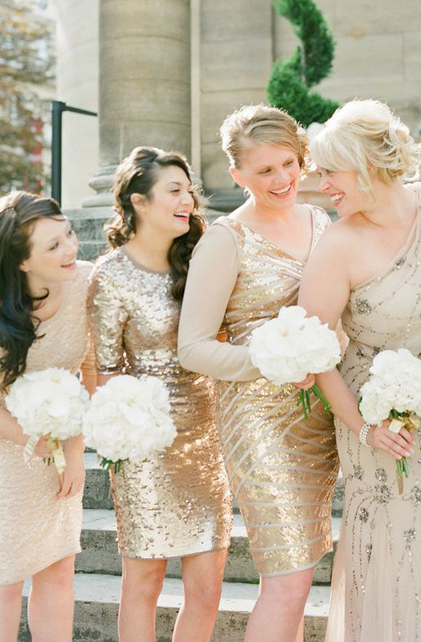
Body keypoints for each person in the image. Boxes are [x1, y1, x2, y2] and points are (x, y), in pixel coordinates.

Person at [298, 99, 421, 642]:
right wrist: (365, 428)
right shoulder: (337, 245)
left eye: (329, 171)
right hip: (381, 425)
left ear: (366, 166)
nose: (319, 183)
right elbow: (314, 354)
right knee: (400, 554)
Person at [178, 105, 340, 642]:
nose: (283, 179)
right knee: (289, 579)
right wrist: (271, 361)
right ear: (238, 175)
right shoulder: (225, 241)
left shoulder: (321, 221)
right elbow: (193, 348)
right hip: (259, 422)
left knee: (303, 568)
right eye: (265, 169)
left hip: (322, 414)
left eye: (289, 163)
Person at [88, 147, 231, 642]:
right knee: (144, 581)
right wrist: (122, 435)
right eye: (174, 191)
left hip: (207, 436)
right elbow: (105, 371)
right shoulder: (109, 274)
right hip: (145, 443)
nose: (187, 200)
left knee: (208, 586)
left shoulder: (203, 255)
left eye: (188, 190)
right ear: (138, 202)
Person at [0, 191, 94, 642]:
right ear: (21, 262)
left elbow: (89, 369)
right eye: (53, 246)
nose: (71, 249)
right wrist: (30, 439)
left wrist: (73, 449)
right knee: (4, 582)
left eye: (69, 235)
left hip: (58, 445)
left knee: (58, 572)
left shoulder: (86, 283)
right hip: (5, 450)